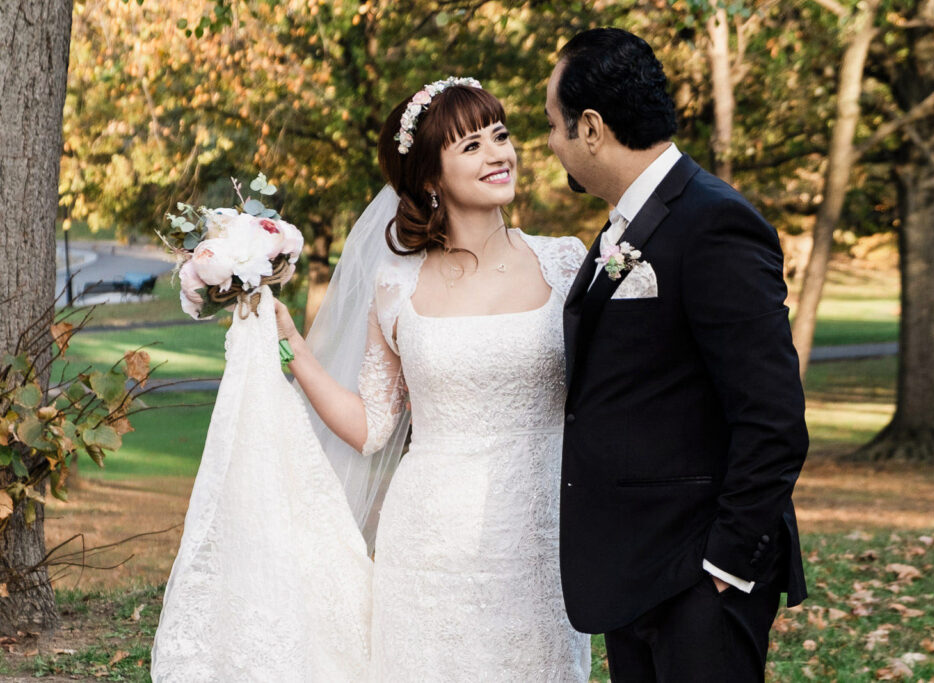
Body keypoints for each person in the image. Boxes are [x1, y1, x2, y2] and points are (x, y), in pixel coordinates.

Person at [273, 78, 591, 680]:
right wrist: (292, 347)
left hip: (543, 537)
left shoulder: (566, 260)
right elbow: (373, 427)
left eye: (500, 135)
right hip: (429, 548)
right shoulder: (397, 286)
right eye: (471, 146)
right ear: (429, 179)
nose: (498, 153)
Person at [546, 28, 809, 681]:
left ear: (591, 128)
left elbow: (774, 417)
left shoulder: (714, 222)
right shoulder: (628, 223)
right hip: (635, 568)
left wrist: (723, 567)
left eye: (553, 125)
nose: (550, 144)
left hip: (697, 578)